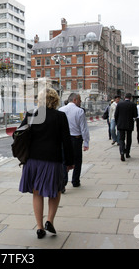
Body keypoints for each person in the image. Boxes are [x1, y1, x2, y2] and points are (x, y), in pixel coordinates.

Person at [19, 88, 73, 239]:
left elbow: (18, 133)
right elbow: (66, 141)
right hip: (53, 160)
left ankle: (39, 227)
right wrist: (69, 162)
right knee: (55, 191)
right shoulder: (60, 116)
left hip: (33, 160)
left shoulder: (31, 114)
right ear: (55, 100)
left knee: (37, 193)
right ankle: (49, 220)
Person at [59, 93, 90, 188]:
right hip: (75, 139)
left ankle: (63, 182)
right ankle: (75, 181)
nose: (80, 102)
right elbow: (83, 128)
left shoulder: (60, 110)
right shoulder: (80, 111)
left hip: (63, 139)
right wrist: (86, 142)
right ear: (75, 100)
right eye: (79, 100)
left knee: (63, 160)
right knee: (77, 160)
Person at [115, 93, 138, 162]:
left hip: (121, 124)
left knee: (121, 139)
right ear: (130, 98)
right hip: (129, 124)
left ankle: (122, 152)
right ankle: (127, 153)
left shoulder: (119, 104)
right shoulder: (133, 104)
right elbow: (135, 115)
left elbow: (116, 115)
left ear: (124, 97)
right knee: (129, 138)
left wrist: (117, 123)